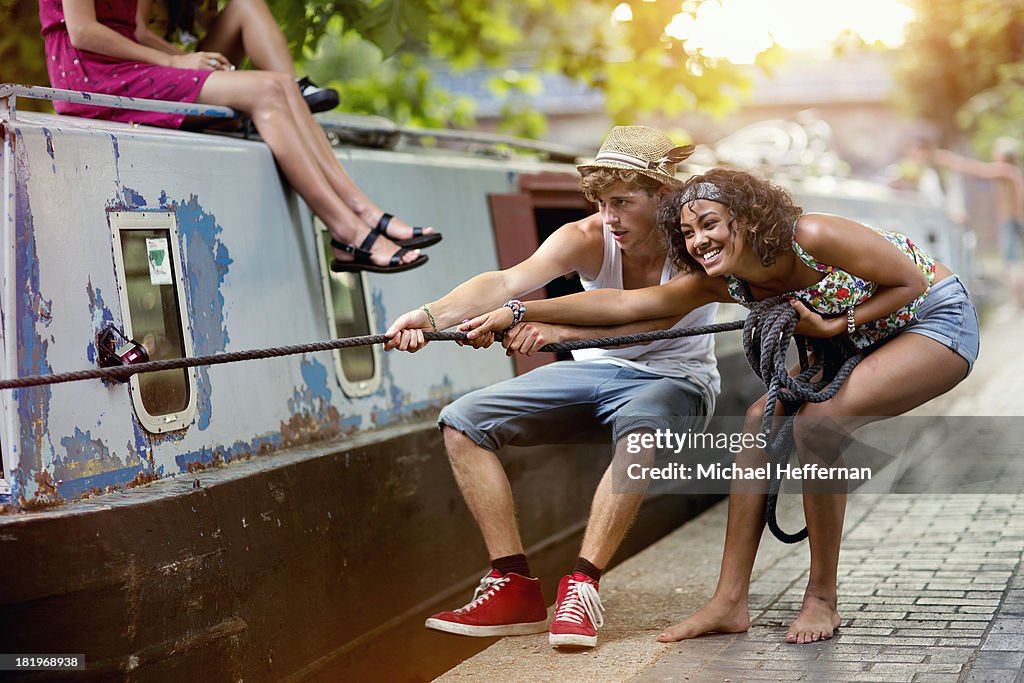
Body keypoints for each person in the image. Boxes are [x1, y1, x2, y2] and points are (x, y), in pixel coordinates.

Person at [463, 167, 979, 644]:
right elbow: (629, 305)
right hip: (852, 338)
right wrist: (516, 310)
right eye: (688, 233)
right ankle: (729, 602)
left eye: (710, 224)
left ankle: (822, 597)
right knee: (757, 424)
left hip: (929, 318)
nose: (699, 240)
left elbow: (910, 281)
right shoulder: (727, 279)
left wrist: (830, 327)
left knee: (818, 427)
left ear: (749, 219)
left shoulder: (812, 236)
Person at [384, 126, 721, 648]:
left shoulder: (701, 245)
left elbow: (643, 316)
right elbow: (504, 281)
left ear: (663, 196)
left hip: (675, 378)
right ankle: (513, 585)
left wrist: (552, 328)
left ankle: (582, 586)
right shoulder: (587, 237)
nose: (609, 218)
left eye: (623, 203)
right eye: (602, 203)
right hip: (593, 372)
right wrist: (429, 316)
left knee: (642, 432)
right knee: (462, 421)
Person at [40, 0, 440, 274]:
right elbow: (83, 32)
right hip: (92, 77)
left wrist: (191, 63)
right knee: (268, 91)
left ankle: (363, 212)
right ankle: (348, 233)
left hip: (126, 68)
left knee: (279, 85)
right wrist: (176, 61)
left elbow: (137, 30)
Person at [135, 0, 339, 113]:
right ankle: (283, 93)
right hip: (155, 67)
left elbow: (213, 25)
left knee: (247, 4)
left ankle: (292, 88)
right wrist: (182, 59)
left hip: (194, 64)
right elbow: (138, 32)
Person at [932, 137, 1024, 309]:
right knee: (1012, 262)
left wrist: (949, 159)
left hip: (1012, 221)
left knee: (1012, 262)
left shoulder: (1006, 170)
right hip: (1013, 220)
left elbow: (975, 169)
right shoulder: (1013, 172)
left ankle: (1018, 304)